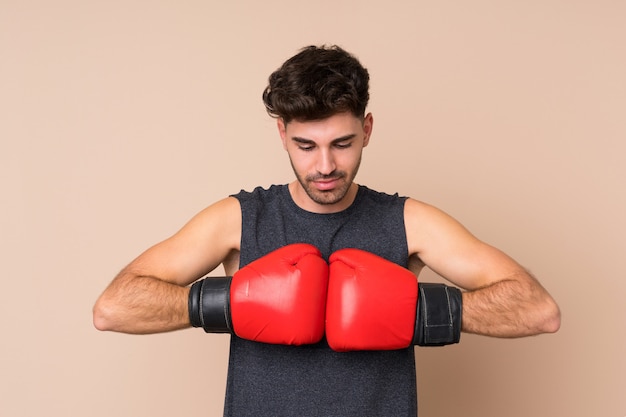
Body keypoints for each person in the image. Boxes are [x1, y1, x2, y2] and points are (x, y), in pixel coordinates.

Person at [93, 45, 561, 416]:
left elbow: (539, 311)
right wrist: (234, 302)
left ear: (368, 129)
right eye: (305, 145)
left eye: (342, 143)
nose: (325, 166)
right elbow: (114, 308)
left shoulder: (408, 222)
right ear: (282, 135)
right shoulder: (240, 218)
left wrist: (416, 313)